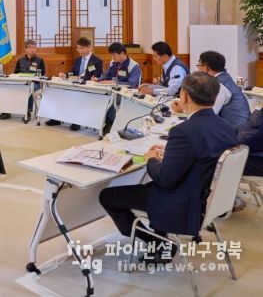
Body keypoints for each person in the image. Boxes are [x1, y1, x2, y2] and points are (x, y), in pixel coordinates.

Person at [99, 72, 239, 264]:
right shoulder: (226, 126)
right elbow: (205, 152)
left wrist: (151, 159)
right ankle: (160, 238)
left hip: (181, 201)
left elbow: (165, 179)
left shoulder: (183, 131)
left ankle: (158, 241)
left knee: (108, 196)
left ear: (184, 96)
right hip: (206, 199)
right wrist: (174, 153)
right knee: (147, 186)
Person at [47, 37, 102, 131]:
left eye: (82, 48)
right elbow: (72, 72)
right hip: (74, 84)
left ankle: (76, 121)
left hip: (86, 86)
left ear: (89, 47)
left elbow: (96, 76)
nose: (79, 51)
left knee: (76, 95)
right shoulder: (78, 60)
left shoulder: (97, 61)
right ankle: (56, 118)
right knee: (57, 92)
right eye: (78, 48)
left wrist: (80, 78)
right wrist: (65, 75)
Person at [192, 51, 250, 129]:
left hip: (236, 132)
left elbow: (209, 113)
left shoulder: (220, 85)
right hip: (237, 128)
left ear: (205, 68)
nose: (198, 70)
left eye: (199, 66)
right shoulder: (224, 79)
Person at [4, 40, 46, 121]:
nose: (32, 49)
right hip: (22, 82)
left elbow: (42, 73)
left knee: (28, 89)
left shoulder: (40, 60)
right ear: (26, 49)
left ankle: (28, 111)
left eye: (34, 47)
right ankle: (8, 111)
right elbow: (16, 72)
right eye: (30, 47)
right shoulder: (21, 60)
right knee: (10, 88)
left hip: (35, 84)